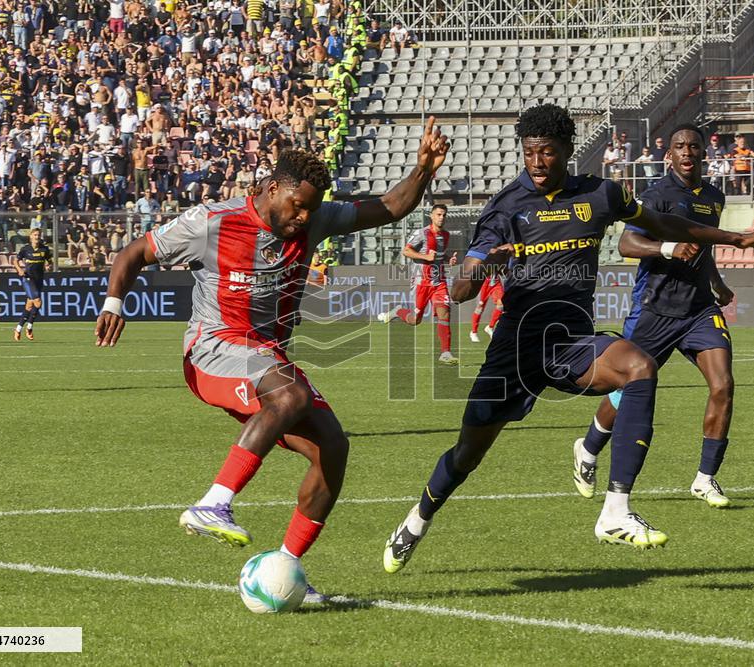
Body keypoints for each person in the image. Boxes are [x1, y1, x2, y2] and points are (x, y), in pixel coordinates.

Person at [381, 105, 754, 574]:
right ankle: (416, 520)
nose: (537, 162)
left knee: (639, 367)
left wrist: (733, 238)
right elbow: (462, 287)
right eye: (529, 152)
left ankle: (615, 510)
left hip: (571, 342)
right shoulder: (507, 205)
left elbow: (662, 225)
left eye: (547, 152)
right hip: (515, 347)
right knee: (469, 452)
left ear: (568, 152)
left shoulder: (601, 194)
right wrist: (489, 262)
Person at [94, 121, 449, 600]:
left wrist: (423, 169)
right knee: (292, 392)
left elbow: (388, 207)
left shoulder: (317, 218)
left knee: (333, 449)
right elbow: (136, 252)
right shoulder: (211, 222)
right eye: (297, 205)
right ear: (268, 189)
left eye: (312, 209)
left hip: (266, 356)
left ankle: (286, 570)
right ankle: (215, 503)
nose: (303, 217)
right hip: (213, 350)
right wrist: (114, 302)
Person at [575, 124, 739, 511]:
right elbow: (627, 243)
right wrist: (667, 247)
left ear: (702, 153)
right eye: (680, 146)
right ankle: (589, 446)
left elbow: (706, 245)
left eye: (693, 146)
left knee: (723, 384)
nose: (687, 152)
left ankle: (705, 478)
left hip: (699, 309)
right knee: (627, 389)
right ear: (670, 155)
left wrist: (716, 282)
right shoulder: (655, 196)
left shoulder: (714, 196)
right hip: (655, 309)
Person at [377, 204, 459, 365]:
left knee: (445, 313)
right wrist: (425, 257)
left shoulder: (446, 235)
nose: (441, 217)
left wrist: (448, 259)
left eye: (444, 215)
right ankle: (398, 311)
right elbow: (406, 251)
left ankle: (445, 353)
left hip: (438, 281)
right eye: (438, 214)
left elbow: (439, 255)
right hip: (422, 282)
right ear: (431, 216)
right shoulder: (422, 233)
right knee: (415, 320)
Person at [12, 228, 52, 341]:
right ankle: (29, 327)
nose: (37, 237)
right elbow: (15, 261)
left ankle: (18, 329)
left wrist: (48, 266)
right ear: (30, 236)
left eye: (38, 235)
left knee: (29, 305)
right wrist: (19, 269)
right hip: (28, 279)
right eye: (35, 235)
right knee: (38, 302)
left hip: (39, 279)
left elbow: (49, 261)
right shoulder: (25, 249)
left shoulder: (45, 249)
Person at [468, 271, 504, 343]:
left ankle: (490, 327)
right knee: (479, 309)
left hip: (496, 284)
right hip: (484, 285)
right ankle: (473, 332)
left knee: (501, 305)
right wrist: (481, 299)